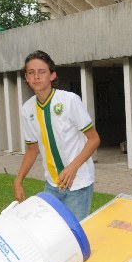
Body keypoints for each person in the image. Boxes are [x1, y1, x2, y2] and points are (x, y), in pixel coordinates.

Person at [14, 50, 101, 221]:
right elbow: (32, 148)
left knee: (74, 236)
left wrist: (72, 167)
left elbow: (94, 139)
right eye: (31, 73)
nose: (36, 77)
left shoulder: (69, 100)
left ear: (52, 75)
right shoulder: (27, 109)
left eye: (42, 72)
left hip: (78, 184)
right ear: (26, 78)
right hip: (52, 186)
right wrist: (18, 180)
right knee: (54, 237)